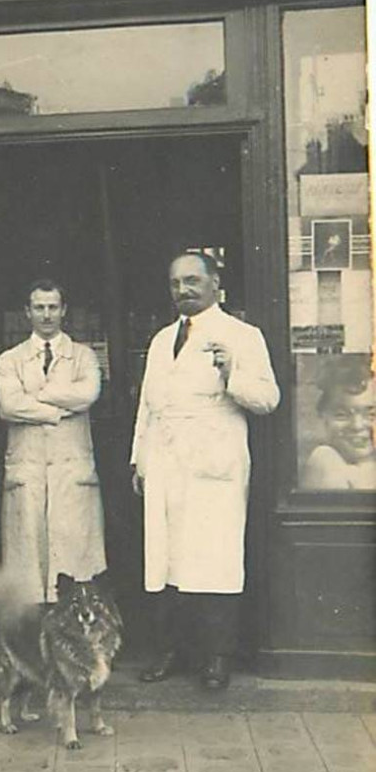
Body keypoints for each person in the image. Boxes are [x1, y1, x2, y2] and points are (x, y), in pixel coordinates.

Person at [130, 252, 280, 690]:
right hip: (166, 459)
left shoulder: (242, 335)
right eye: (176, 283)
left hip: (214, 461)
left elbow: (268, 399)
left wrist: (233, 372)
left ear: (215, 283)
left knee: (214, 560)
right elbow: (148, 405)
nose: (184, 290)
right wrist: (139, 458)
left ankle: (217, 657)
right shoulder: (161, 340)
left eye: (193, 281)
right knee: (166, 560)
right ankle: (171, 651)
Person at [0, 278, 106, 604]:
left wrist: (36, 396)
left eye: (53, 307)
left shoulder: (83, 356)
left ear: (64, 311)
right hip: (27, 472)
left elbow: (87, 395)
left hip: (71, 474)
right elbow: (9, 405)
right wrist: (59, 409)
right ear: (27, 312)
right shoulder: (9, 359)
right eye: (39, 308)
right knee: (28, 567)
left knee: (73, 566)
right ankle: (33, 644)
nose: (46, 315)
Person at [303, 360, 376, 490]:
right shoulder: (325, 460)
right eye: (341, 415)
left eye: (371, 415)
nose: (357, 426)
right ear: (322, 417)